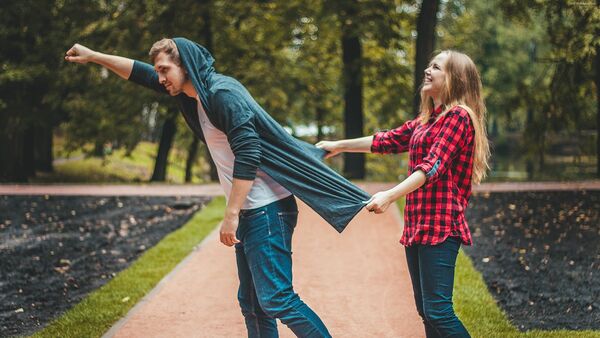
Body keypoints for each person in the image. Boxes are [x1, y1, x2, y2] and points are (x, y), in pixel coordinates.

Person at [65, 37, 371, 338]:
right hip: (255, 211)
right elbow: (140, 73)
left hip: (266, 210)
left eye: (164, 70)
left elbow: (249, 151)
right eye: (158, 71)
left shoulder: (222, 95)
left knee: (276, 298)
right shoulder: (191, 94)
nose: (160, 78)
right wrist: (94, 56)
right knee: (251, 304)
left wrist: (231, 214)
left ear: (185, 66)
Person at [317, 50, 490, 338]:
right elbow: (386, 139)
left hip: (441, 226)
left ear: (455, 79)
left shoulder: (459, 117)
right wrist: (339, 145)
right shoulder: (428, 120)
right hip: (418, 225)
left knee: (438, 311)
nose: (428, 70)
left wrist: (389, 195)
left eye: (436, 67)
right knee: (426, 311)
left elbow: (432, 165)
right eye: (429, 64)